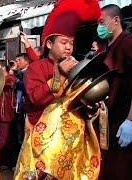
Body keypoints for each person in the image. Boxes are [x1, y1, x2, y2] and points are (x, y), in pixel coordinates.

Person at [14, 0, 102, 179]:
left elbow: (82, 99)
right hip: (44, 148)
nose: (69, 47)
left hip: (73, 147)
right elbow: (35, 99)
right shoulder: (36, 68)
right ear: (48, 44)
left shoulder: (78, 67)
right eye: (63, 42)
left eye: (71, 42)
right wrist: (60, 75)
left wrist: (91, 108)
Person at [97, 4, 132, 180]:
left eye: (102, 22)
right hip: (109, 122)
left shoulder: (127, 42)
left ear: (116, 20)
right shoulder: (107, 48)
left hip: (124, 120)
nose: (99, 28)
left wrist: (131, 120)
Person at [0, 60, 17, 169]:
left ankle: (6, 163)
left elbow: (10, 82)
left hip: (6, 115)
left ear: (4, 69)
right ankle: (1, 162)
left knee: (5, 140)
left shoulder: (10, 79)